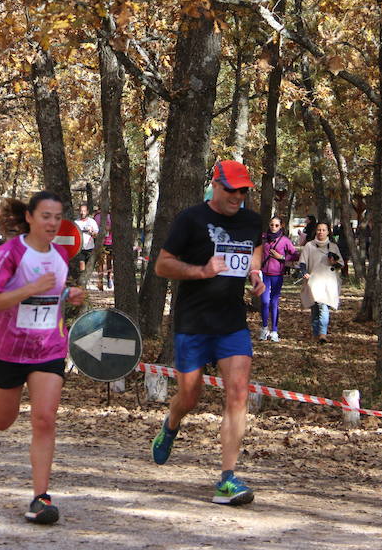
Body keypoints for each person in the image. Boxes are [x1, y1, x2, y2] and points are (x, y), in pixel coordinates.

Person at [151, 160, 265, 506]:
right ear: (215, 185)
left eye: (243, 190)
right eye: (232, 189)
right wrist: (202, 271)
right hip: (193, 322)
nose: (238, 196)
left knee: (237, 394)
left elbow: (254, 248)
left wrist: (255, 272)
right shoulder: (191, 219)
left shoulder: (251, 220)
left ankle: (227, 478)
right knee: (190, 397)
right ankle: (171, 423)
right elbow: (162, 264)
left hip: (231, 321)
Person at [0, 191, 85, 525]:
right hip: (7, 349)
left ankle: (40, 497)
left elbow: (54, 293)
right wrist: (30, 289)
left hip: (48, 349)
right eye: (46, 216)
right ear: (31, 218)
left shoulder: (61, 254)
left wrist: (68, 295)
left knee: (45, 419)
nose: (52, 223)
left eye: (57, 217)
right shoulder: (10, 253)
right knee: (6, 418)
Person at [298, 222, 343, 344]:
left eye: (324, 230)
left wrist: (334, 262)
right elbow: (302, 262)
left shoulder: (333, 246)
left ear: (328, 232)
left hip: (328, 281)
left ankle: (323, 334)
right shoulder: (309, 246)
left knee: (323, 306)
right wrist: (304, 272)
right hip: (313, 281)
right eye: (319, 230)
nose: (321, 232)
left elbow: (340, 264)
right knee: (315, 308)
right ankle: (315, 333)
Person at [257, 216, 299, 343]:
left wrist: (281, 257)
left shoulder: (284, 240)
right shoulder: (263, 238)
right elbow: (256, 250)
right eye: (271, 225)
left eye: (276, 225)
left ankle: (274, 330)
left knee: (274, 302)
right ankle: (264, 328)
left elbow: (295, 255)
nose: (273, 227)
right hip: (264, 274)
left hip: (277, 275)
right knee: (264, 302)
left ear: (281, 226)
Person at [73, 203, 98, 285]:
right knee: (81, 266)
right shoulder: (75, 223)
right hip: (79, 248)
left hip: (90, 248)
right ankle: (82, 285)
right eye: (80, 211)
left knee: (88, 269)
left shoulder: (92, 222)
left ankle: (84, 283)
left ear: (87, 212)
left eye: (84, 211)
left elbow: (97, 235)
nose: (82, 213)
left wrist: (92, 232)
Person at [95, 211, 113, 290]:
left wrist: (109, 228)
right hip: (100, 242)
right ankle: (100, 281)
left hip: (110, 241)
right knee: (100, 262)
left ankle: (109, 277)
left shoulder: (111, 215)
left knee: (109, 261)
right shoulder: (97, 216)